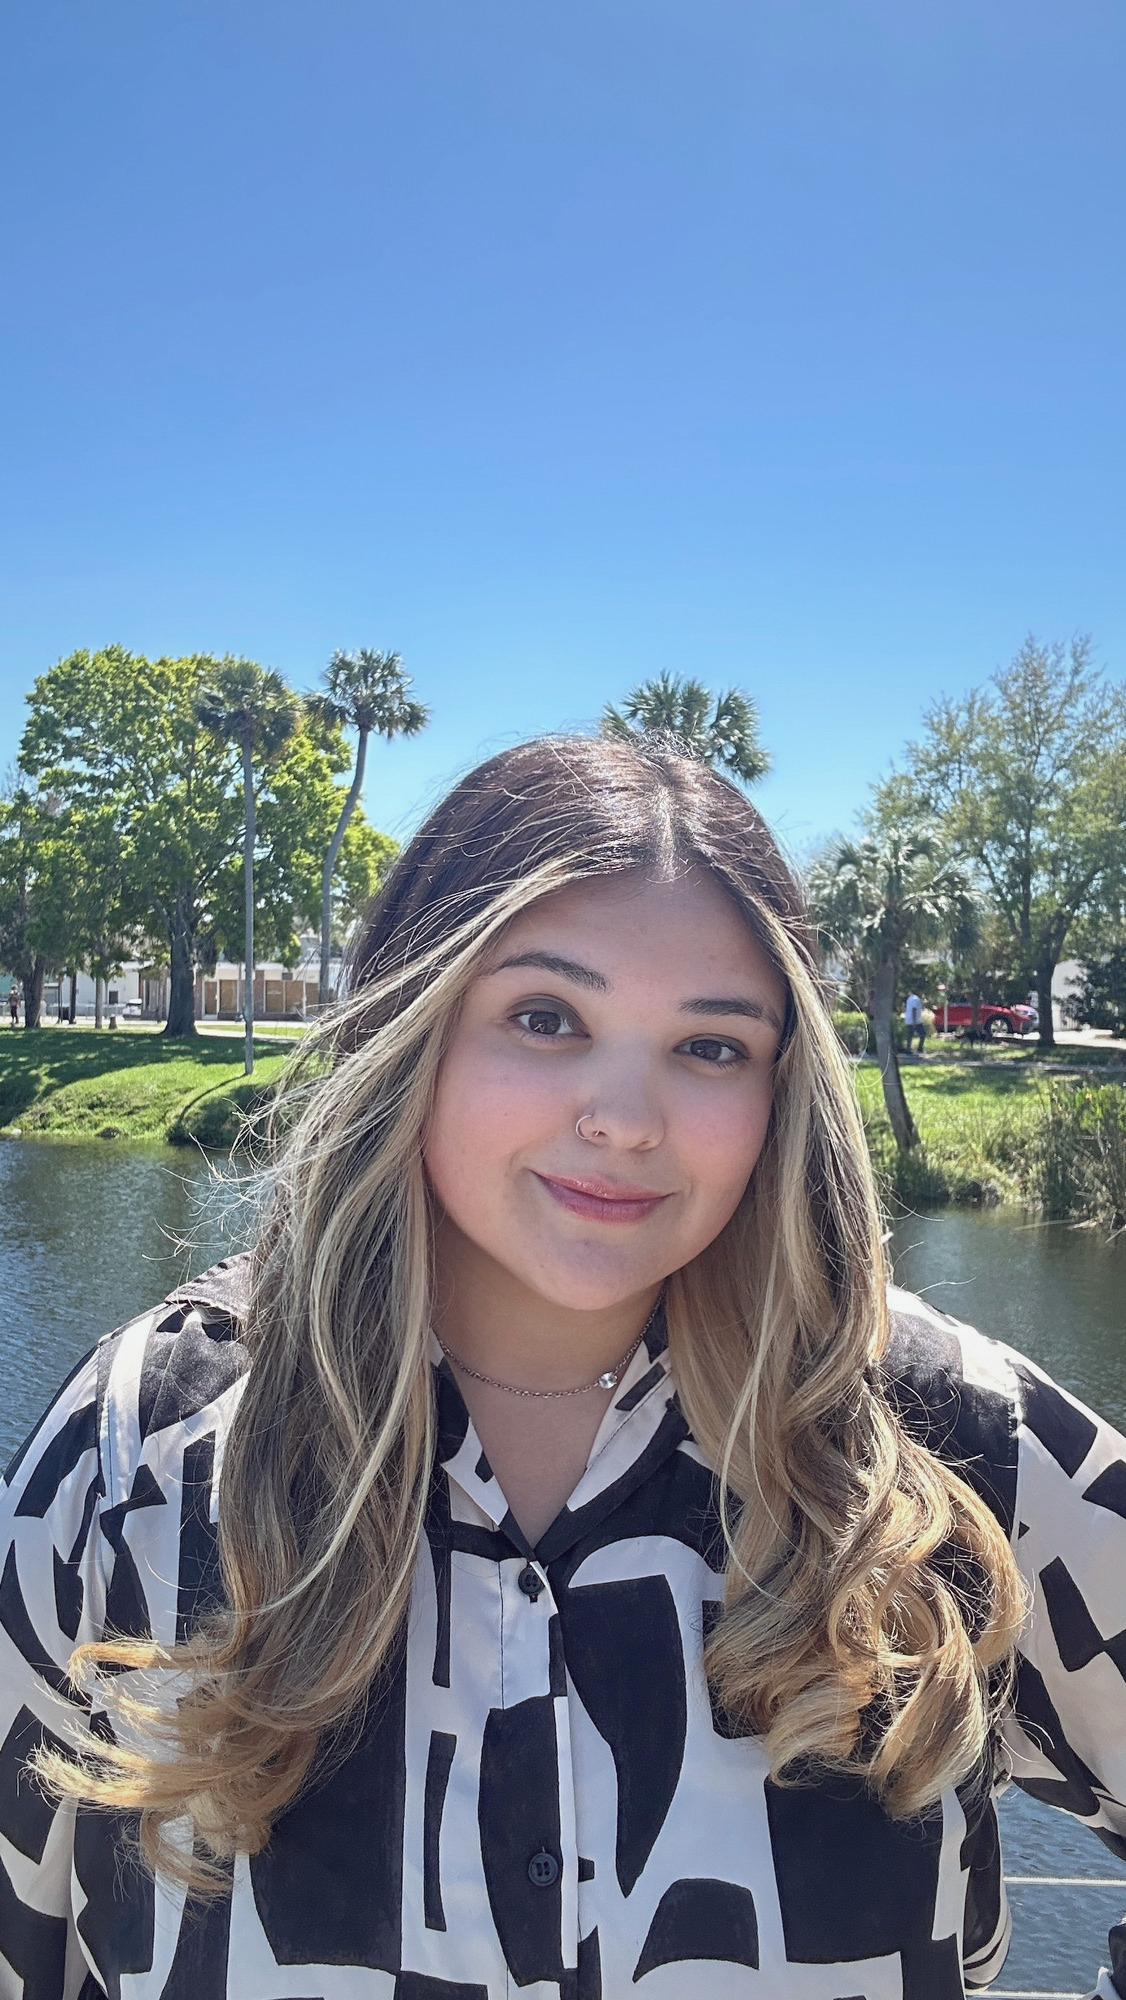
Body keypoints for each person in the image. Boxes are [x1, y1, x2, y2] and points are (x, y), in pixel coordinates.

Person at [1, 733, 1125, 2000]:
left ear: (780, 1083)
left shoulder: (946, 1440)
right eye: (545, 1018)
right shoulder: (137, 1454)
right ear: (408, 1027)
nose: (625, 1115)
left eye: (711, 1045)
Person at [904, 989, 926, 1054]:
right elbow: (914, 1009)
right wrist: (914, 1022)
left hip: (909, 1020)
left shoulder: (910, 998)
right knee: (923, 1034)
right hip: (915, 1021)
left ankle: (908, 1049)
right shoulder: (916, 999)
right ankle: (919, 1048)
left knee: (910, 1035)